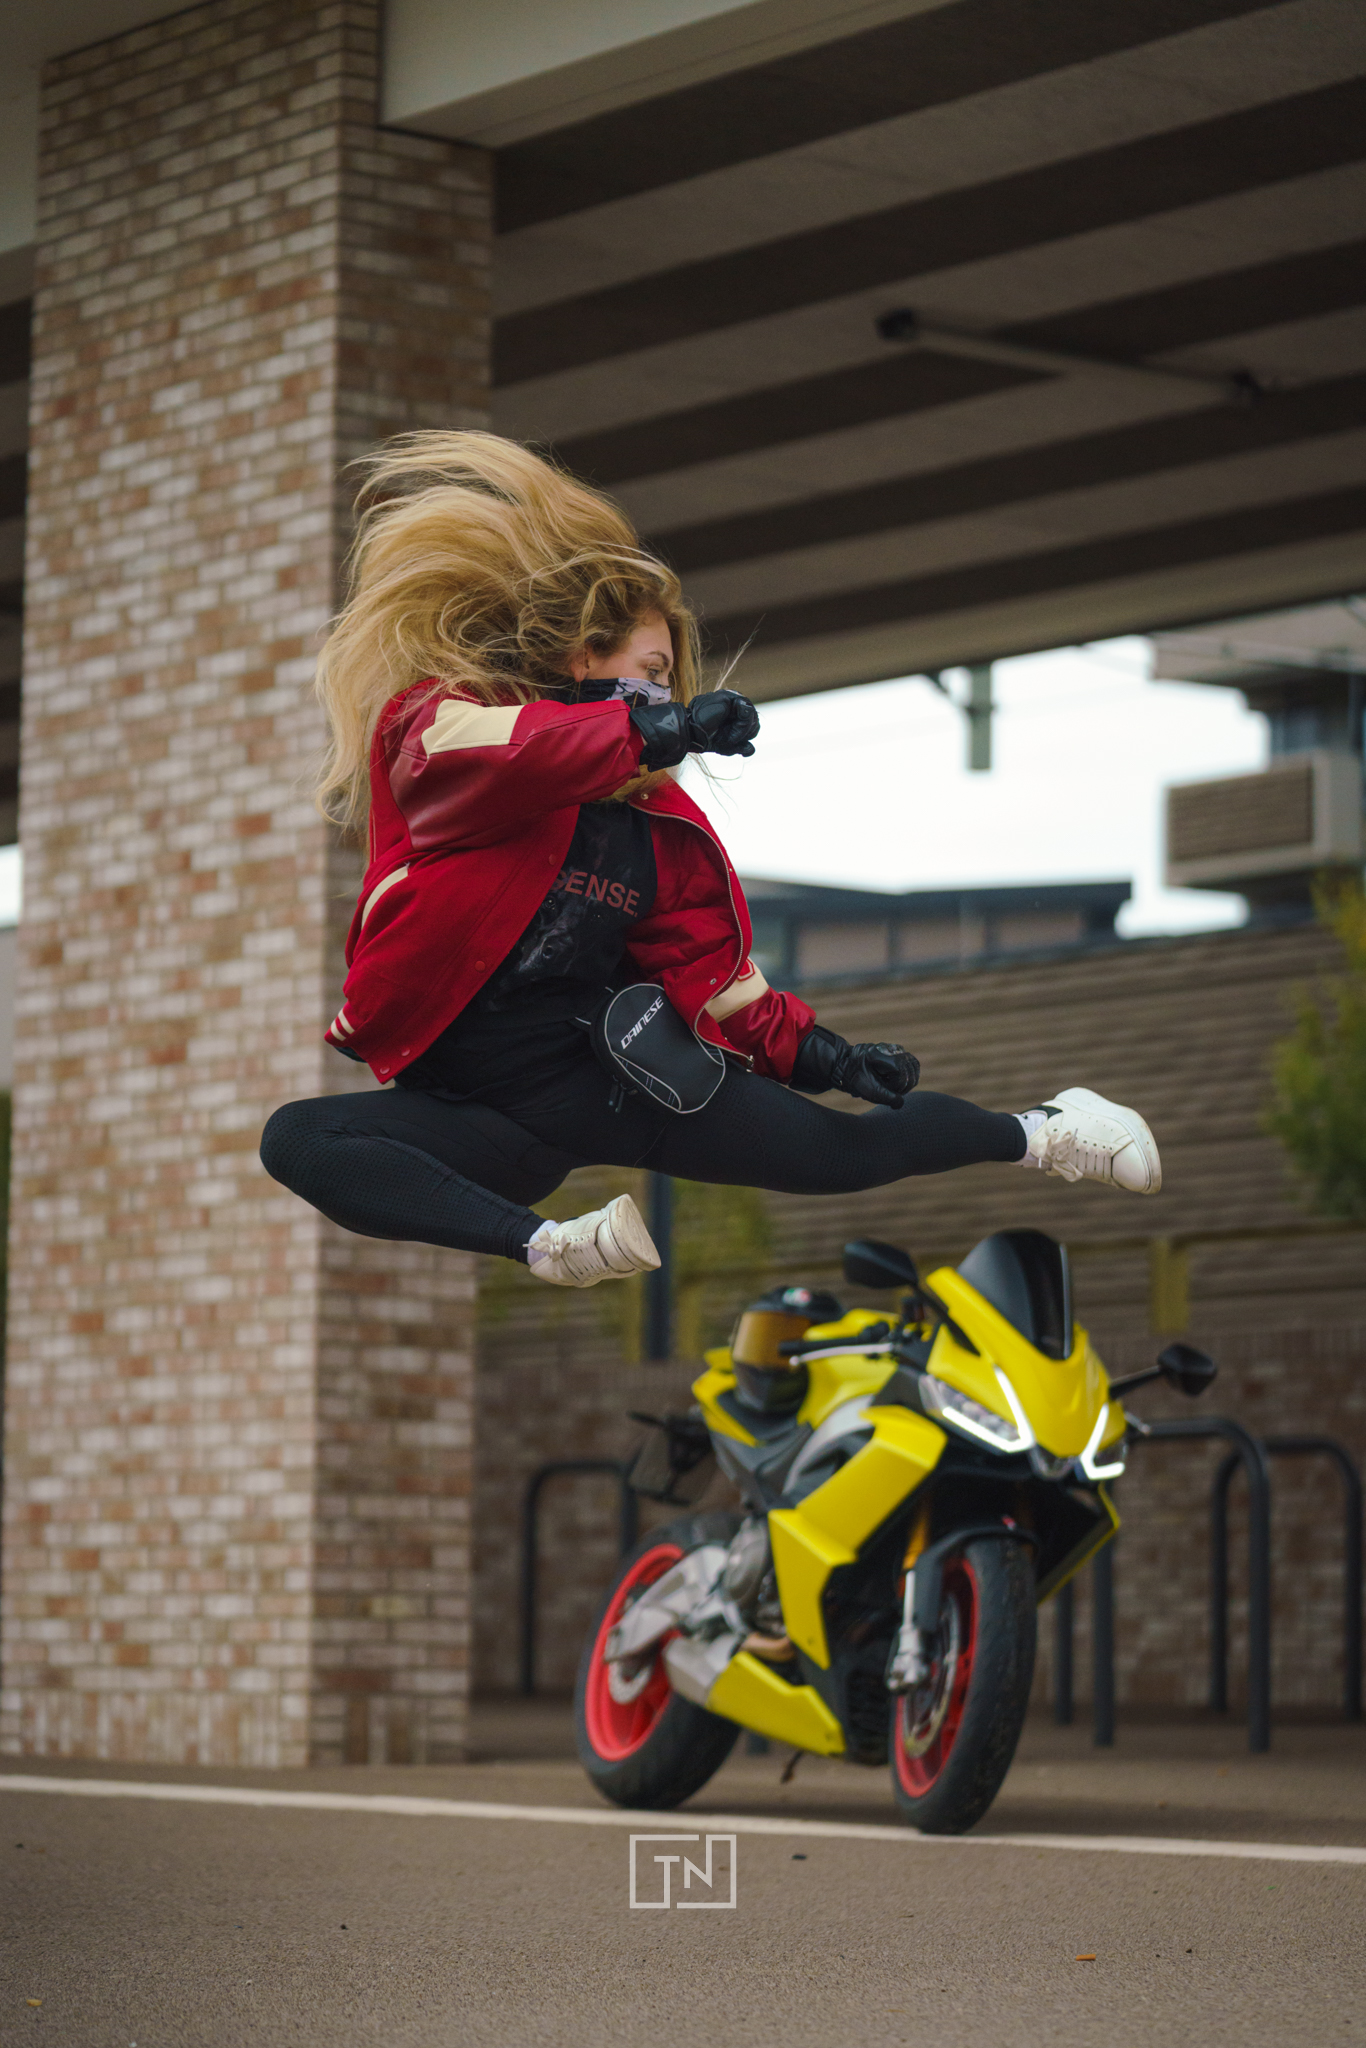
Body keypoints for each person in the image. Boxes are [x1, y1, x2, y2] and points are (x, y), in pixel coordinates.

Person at [261, 432, 1161, 1288]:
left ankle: (1050, 1130)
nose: (665, 692)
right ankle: (549, 1247)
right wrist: (658, 726)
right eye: (652, 670)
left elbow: (716, 981)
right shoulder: (447, 731)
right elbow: (515, 748)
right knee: (298, 1139)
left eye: (671, 684)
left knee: (842, 1153)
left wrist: (831, 1059)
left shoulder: (662, 829)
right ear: (583, 655)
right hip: (485, 1116)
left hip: (614, 1082)